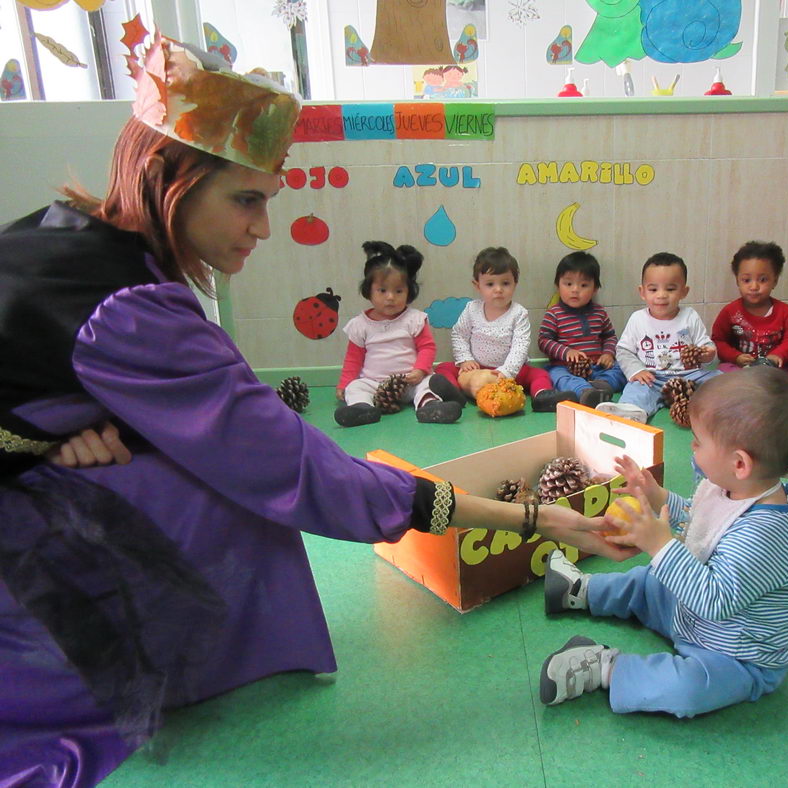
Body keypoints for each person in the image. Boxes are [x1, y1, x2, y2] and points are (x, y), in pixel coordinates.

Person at [0, 33, 629, 786]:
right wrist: (532, 520)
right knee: (218, 490)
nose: (261, 228)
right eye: (245, 200)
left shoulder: (72, 232)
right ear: (168, 177)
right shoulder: (131, 310)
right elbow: (307, 473)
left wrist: (49, 433)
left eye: (268, 199)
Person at [539, 366, 788, 718]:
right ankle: (582, 589)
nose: (692, 446)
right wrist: (657, 496)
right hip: (689, 612)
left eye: (699, 441)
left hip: (734, 653)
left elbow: (716, 600)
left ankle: (606, 667)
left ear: (740, 463)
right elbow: (701, 521)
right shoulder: (735, 485)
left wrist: (659, 545)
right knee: (648, 582)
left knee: (687, 691)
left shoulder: (763, 535)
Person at [334, 241, 464, 427]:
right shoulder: (360, 324)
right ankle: (362, 408)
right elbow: (353, 358)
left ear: (409, 291)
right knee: (356, 387)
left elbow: (427, 347)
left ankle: (431, 407)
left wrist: (419, 370)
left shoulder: (414, 319)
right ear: (368, 290)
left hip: (410, 381)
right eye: (382, 290)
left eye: (398, 291)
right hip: (374, 383)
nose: (390, 297)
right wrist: (344, 383)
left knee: (429, 383)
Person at [434, 246, 574, 411]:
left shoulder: (518, 313)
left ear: (515, 284)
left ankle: (542, 397)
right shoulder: (471, 309)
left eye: (505, 283)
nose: (498, 289)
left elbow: (520, 346)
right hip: (477, 368)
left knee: (539, 374)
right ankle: (453, 394)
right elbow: (459, 335)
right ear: (477, 285)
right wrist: (465, 359)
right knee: (443, 367)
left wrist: (507, 371)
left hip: (511, 371)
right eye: (490, 284)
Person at [597, 252, 719, 424]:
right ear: (642, 292)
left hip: (690, 376)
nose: (661, 295)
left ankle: (720, 409)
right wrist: (637, 370)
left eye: (670, 289)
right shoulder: (638, 319)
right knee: (636, 389)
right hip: (652, 377)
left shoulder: (690, 316)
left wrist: (708, 353)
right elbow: (624, 350)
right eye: (653, 289)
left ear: (684, 291)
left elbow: (705, 344)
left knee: (719, 380)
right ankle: (632, 411)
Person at [711, 241, 788, 386]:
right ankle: (756, 387)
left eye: (763, 280)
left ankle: (768, 387)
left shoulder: (784, 311)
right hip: (743, 368)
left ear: (775, 281)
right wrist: (736, 357)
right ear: (737, 281)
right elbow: (718, 341)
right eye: (746, 280)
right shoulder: (730, 312)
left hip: (775, 368)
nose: (754, 287)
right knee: (722, 371)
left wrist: (777, 356)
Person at [537, 251, 627, 408]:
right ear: (558, 286)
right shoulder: (554, 313)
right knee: (556, 376)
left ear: (595, 289)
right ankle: (585, 391)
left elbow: (610, 337)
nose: (575, 290)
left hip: (596, 368)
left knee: (622, 369)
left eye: (584, 285)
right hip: (565, 367)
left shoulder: (599, 312)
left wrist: (608, 353)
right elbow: (544, 341)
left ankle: (603, 385)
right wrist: (566, 352)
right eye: (568, 284)